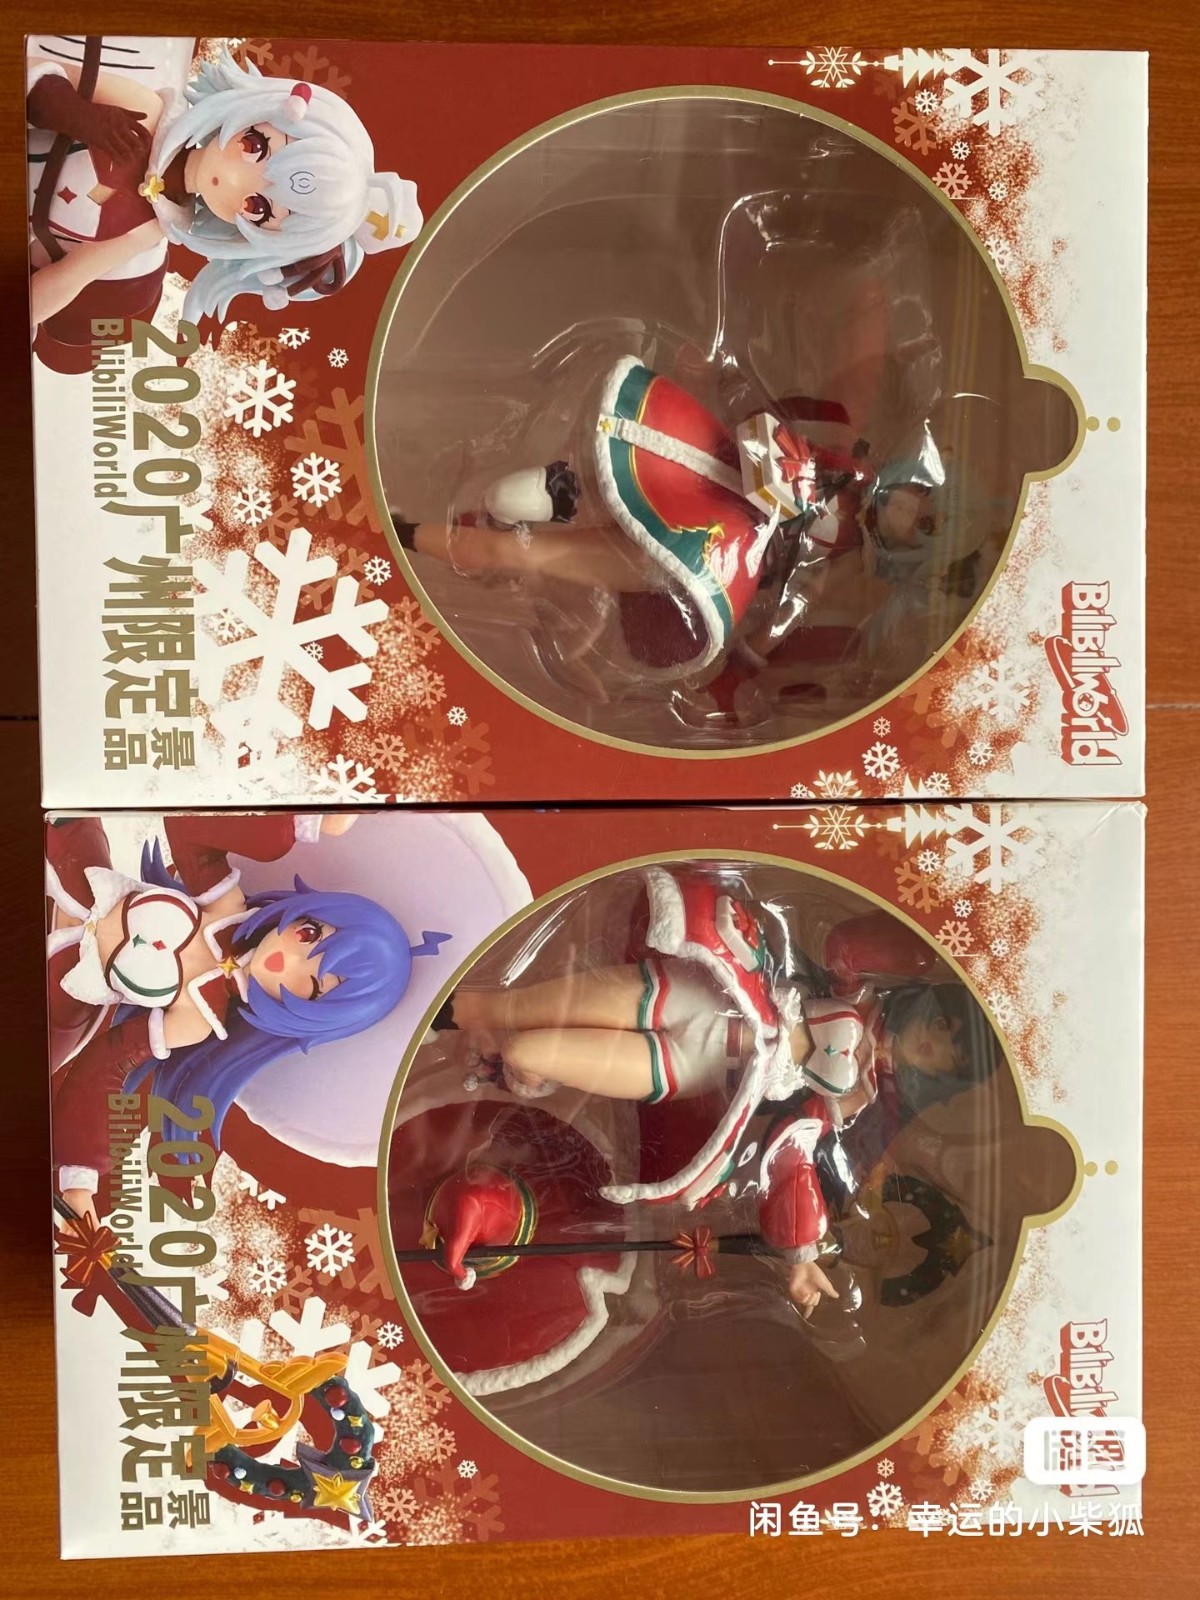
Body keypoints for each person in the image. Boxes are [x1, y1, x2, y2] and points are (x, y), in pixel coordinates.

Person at [432, 866, 999, 1317]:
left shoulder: (847, 1104)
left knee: (526, 1052)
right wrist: (915, 943)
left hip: (684, 1069)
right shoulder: (856, 995)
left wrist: (800, 1253)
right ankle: (439, 1005)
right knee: (512, 1005)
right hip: (693, 996)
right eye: (939, 1027)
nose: (930, 1043)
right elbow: (846, 944)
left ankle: (492, 1057)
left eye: (943, 1056)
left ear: (938, 1077)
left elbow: (791, 1159)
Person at [46, 812, 449, 1221]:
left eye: (311, 985)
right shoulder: (225, 908)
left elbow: (109, 1060)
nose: (287, 960)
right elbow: (187, 828)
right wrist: (304, 824)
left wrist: (80, 1175)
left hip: (60, 984)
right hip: (77, 870)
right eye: (309, 934)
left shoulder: (197, 1020)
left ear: (310, 1013)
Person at [27, 42, 420, 369]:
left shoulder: (147, 232)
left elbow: (65, 281)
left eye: (258, 208)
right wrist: (74, 113)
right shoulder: (147, 112)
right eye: (255, 145)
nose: (231, 179)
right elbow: (32, 71)